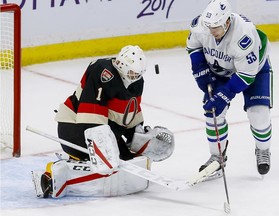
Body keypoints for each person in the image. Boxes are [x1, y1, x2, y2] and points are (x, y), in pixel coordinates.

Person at [32, 45, 175, 198]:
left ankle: (99, 161)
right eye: (132, 73)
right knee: (108, 164)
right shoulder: (102, 72)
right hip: (73, 128)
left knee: (125, 161)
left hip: (106, 133)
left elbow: (129, 114)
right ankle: (52, 174)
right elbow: (90, 118)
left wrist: (139, 137)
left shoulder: (137, 83)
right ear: (121, 65)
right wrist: (107, 152)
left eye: (138, 74)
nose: (135, 77)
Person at [186, 0, 273, 177]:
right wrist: (200, 69)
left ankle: (263, 150)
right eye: (209, 26)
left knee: (258, 114)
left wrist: (225, 95)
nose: (212, 31)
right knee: (213, 113)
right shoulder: (202, 25)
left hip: (254, 70)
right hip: (219, 69)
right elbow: (193, 46)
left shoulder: (243, 36)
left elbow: (246, 75)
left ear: (227, 22)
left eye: (216, 27)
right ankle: (217, 158)